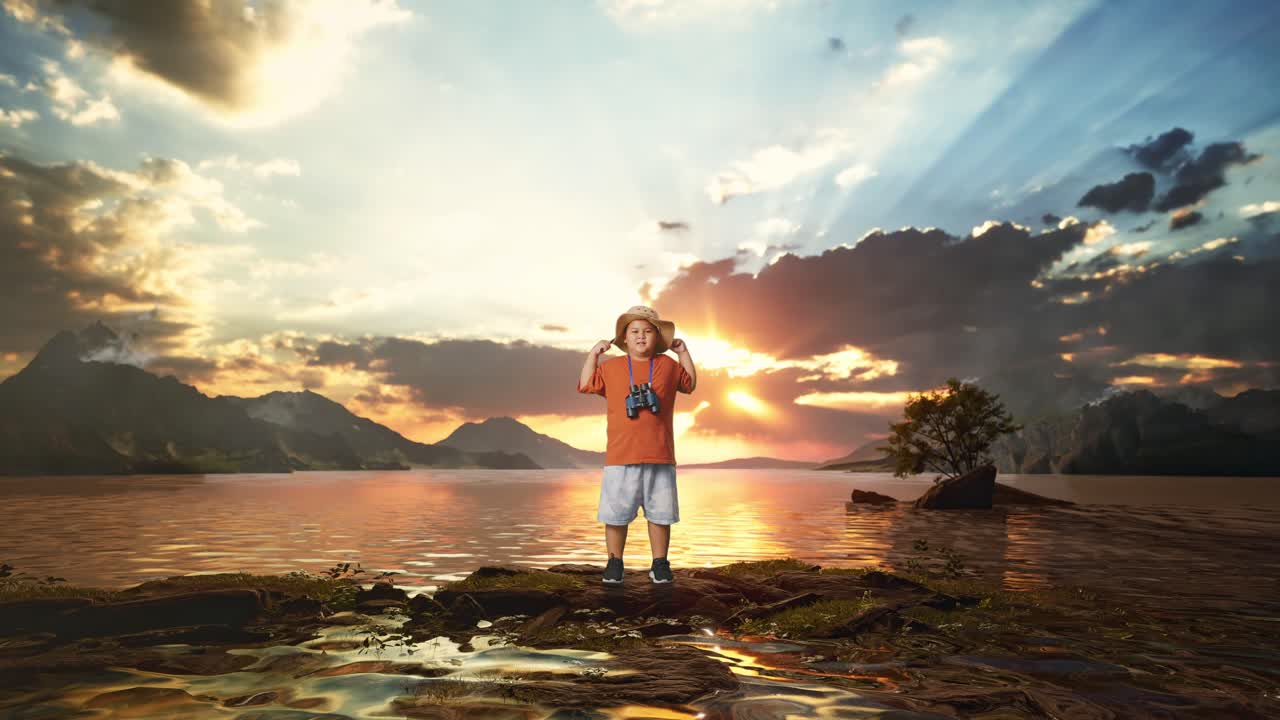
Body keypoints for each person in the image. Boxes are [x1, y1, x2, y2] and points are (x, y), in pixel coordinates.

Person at [577, 305, 697, 585]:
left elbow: (690, 383)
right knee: (616, 513)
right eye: (634, 332)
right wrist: (593, 354)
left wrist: (683, 352)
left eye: (647, 332)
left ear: (657, 337)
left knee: (661, 513)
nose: (641, 337)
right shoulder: (611, 367)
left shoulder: (668, 365)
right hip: (621, 454)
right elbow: (585, 384)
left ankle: (660, 563)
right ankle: (614, 562)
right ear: (624, 338)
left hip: (660, 453)